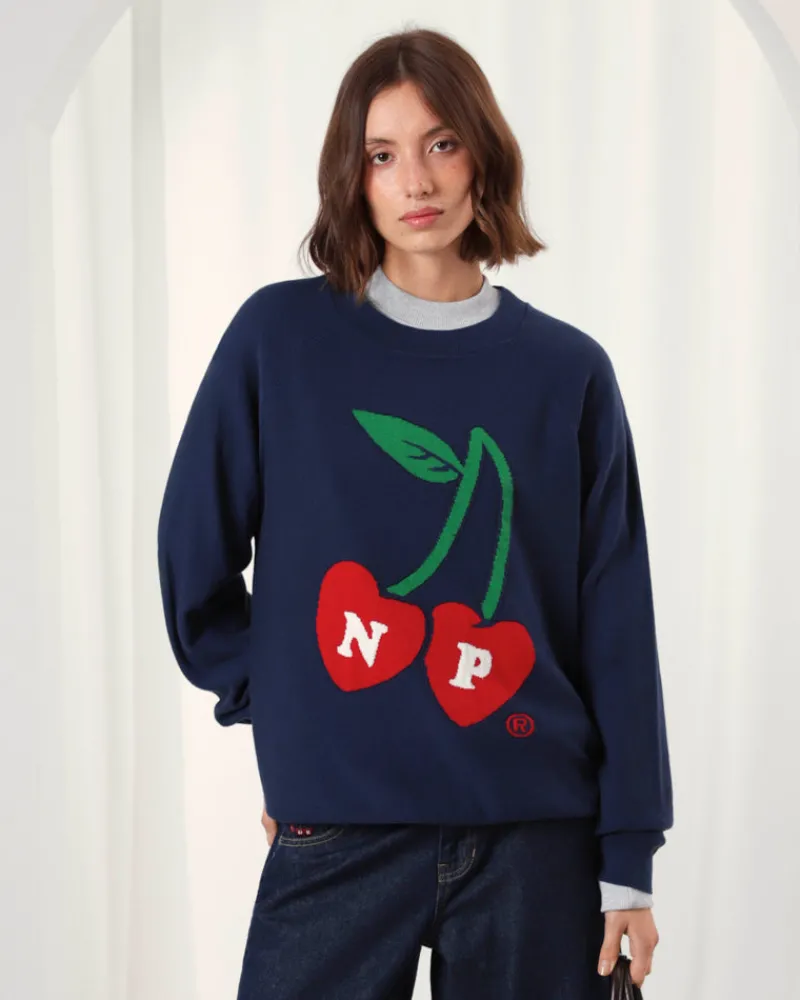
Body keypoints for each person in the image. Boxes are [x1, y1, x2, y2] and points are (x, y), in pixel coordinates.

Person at [156, 25, 673, 1000]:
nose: (416, 181)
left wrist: (628, 860)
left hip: (535, 836)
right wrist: (290, 715)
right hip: (338, 829)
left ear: (484, 153)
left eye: (441, 144)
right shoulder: (279, 339)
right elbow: (194, 560)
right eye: (381, 155)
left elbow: (614, 620)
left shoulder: (566, 372)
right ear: (350, 177)